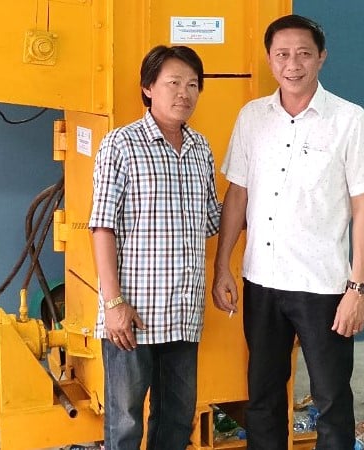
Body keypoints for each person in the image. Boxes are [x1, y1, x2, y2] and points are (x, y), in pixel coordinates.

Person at [211, 14, 364, 450]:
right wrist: (221, 267)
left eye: (304, 54)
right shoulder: (253, 117)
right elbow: (237, 196)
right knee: (263, 398)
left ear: (321, 58)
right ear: (270, 60)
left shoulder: (349, 120)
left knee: (331, 401)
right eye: (283, 55)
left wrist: (357, 289)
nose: (293, 64)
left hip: (323, 287)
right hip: (262, 282)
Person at [89, 45, 221, 450]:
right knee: (126, 422)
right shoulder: (121, 145)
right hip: (133, 314)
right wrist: (113, 304)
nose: (185, 92)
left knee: (177, 416)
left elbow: (211, 220)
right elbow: (102, 227)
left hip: (183, 311)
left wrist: (256, 182)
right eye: (173, 83)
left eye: (193, 84)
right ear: (148, 88)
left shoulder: (201, 149)